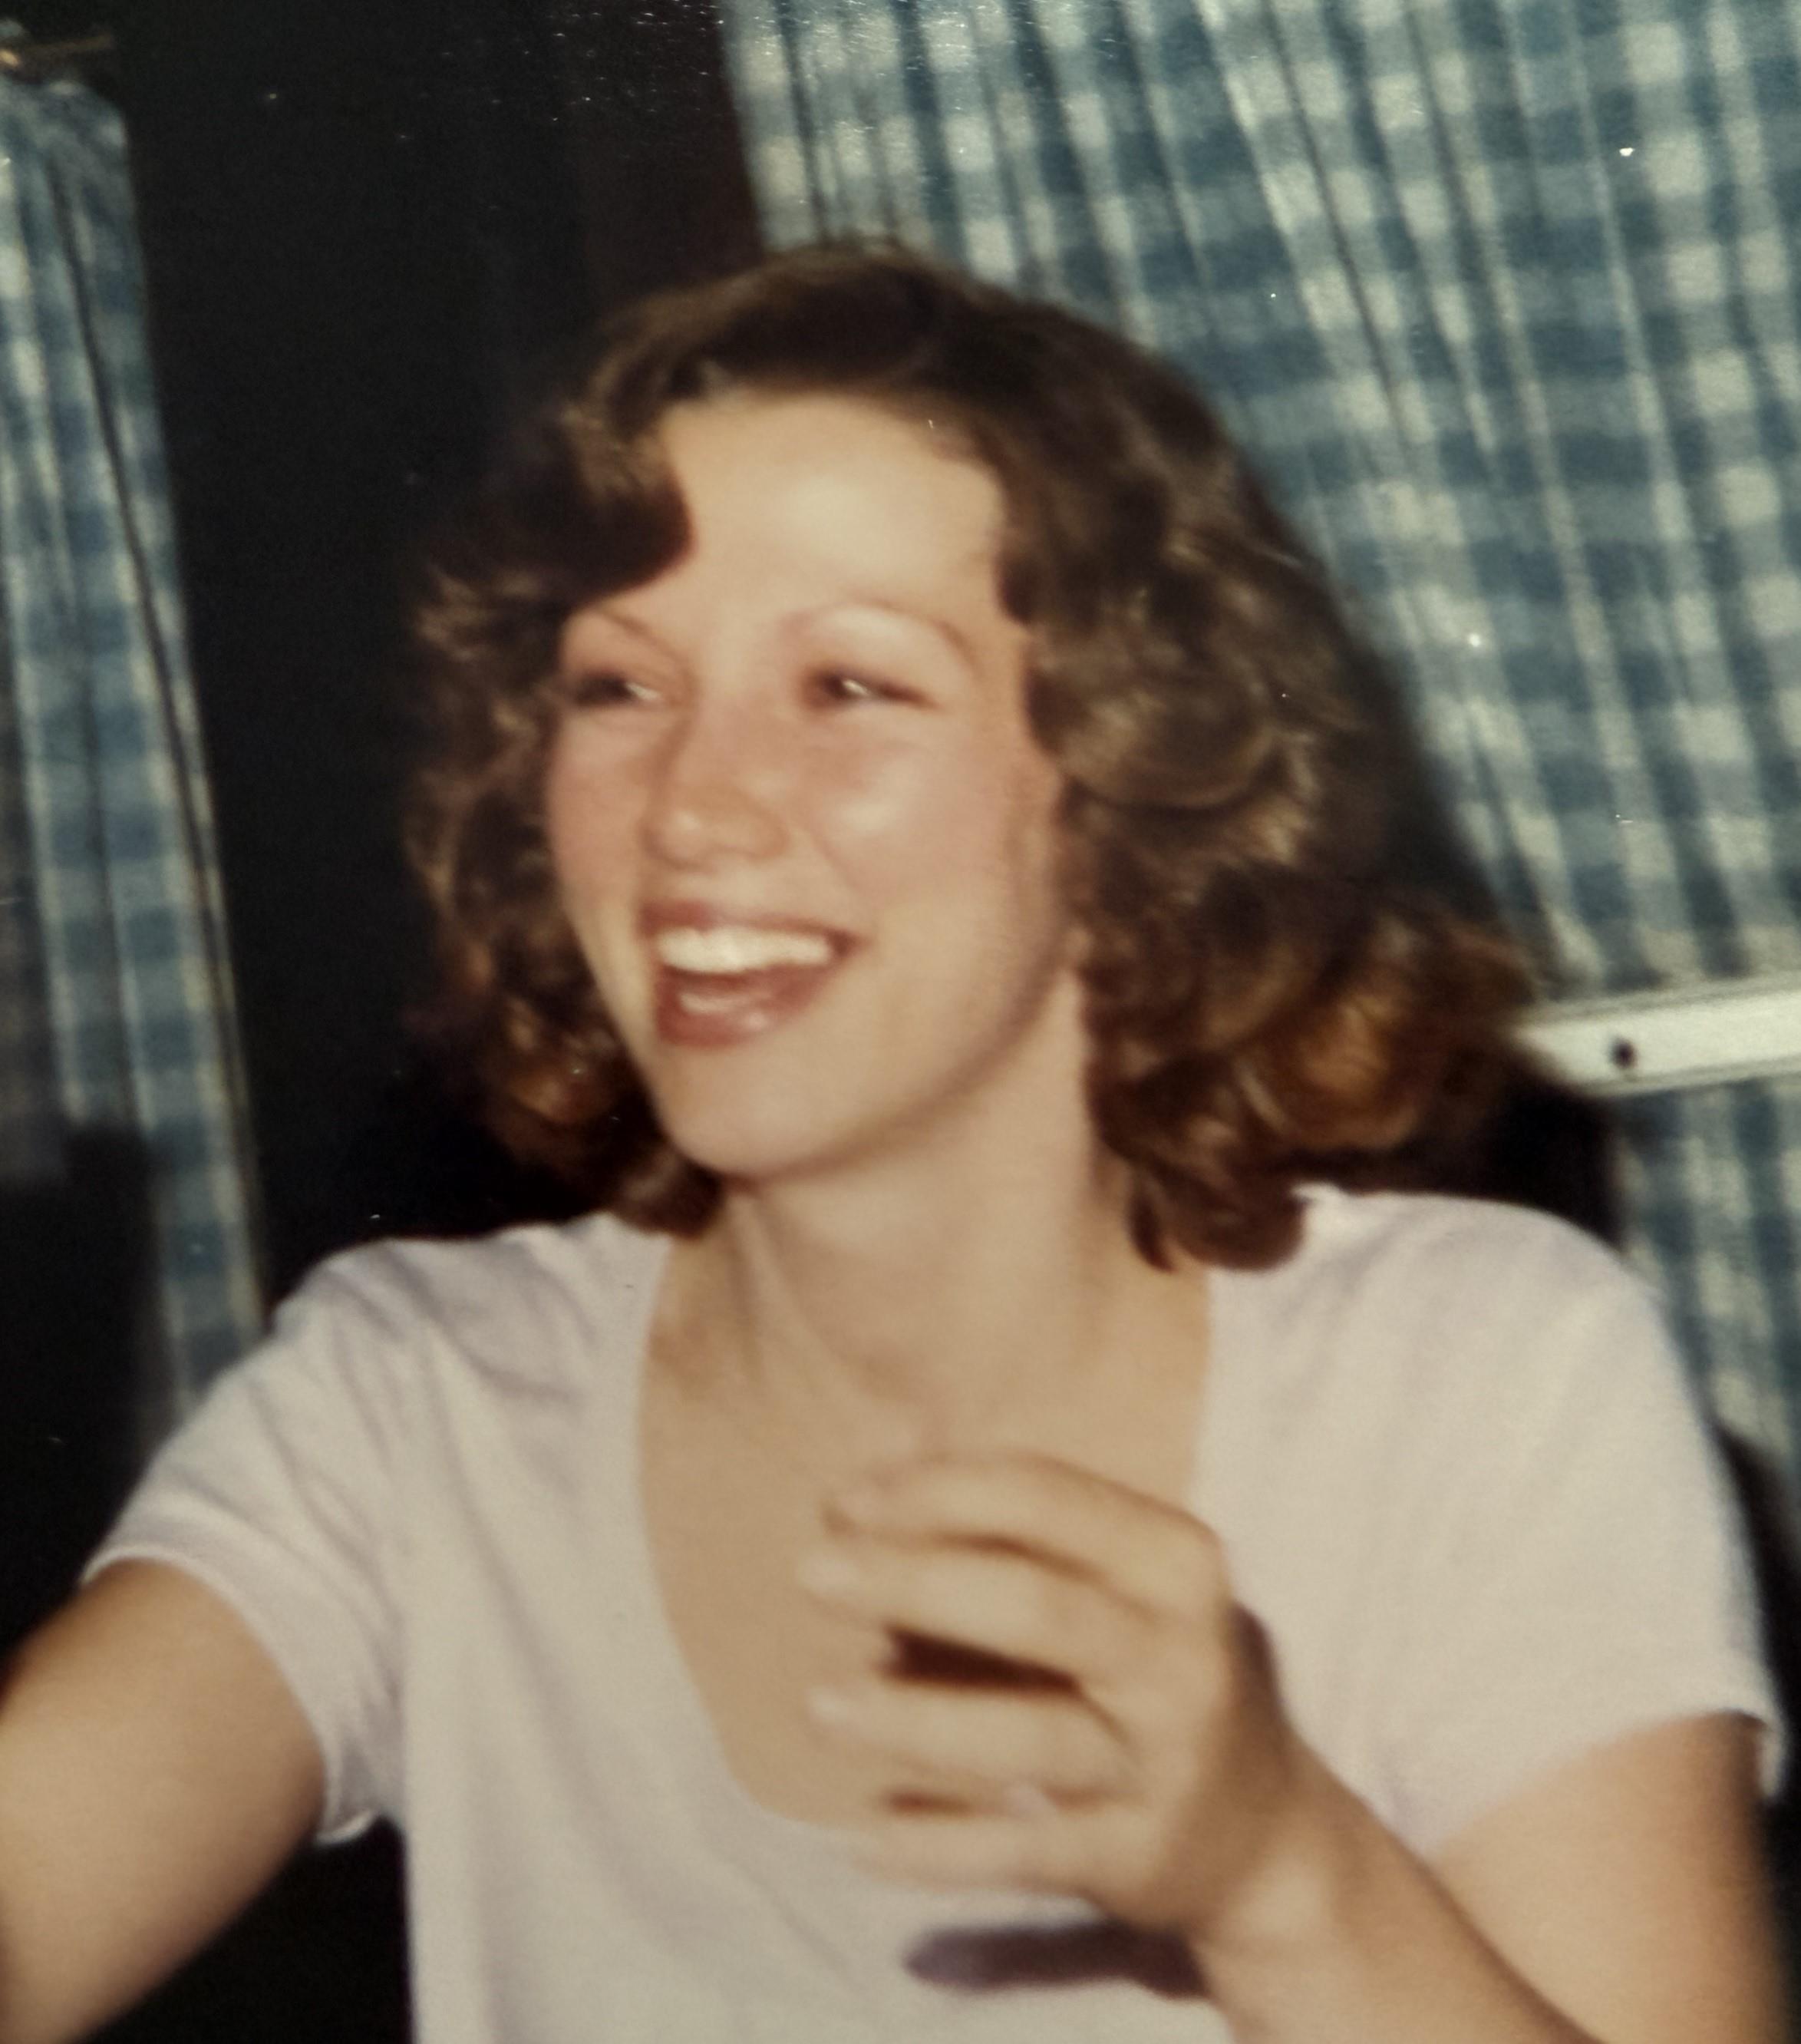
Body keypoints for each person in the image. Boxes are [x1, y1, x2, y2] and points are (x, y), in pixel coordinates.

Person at [0, 245, 1785, 2044]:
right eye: (618, 687)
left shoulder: (1483, 1377)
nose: (692, 802)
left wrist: (1279, 1876)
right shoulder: (411, 1408)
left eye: (849, 688)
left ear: (1130, 791)